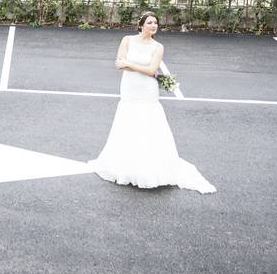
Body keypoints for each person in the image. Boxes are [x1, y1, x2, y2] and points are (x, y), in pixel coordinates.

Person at [88, 11, 215, 193]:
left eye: (155, 23)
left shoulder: (158, 47)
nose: (153, 26)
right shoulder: (127, 40)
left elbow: (151, 70)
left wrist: (130, 65)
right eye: (149, 23)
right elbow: (118, 63)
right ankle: (127, 164)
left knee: (147, 124)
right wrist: (133, 66)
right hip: (129, 89)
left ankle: (148, 166)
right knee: (129, 123)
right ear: (141, 25)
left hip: (147, 91)